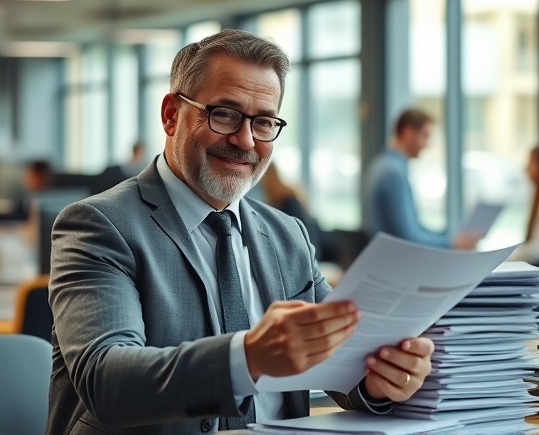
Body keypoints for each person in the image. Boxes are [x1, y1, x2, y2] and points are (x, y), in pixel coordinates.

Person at [46, 29, 434, 435]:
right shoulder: (98, 225)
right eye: (225, 114)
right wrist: (247, 357)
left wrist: (377, 379)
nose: (245, 140)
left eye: (263, 122)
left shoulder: (288, 236)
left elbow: (343, 362)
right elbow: (107, 381)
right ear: (171, 115)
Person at [364, 108, 479, 249]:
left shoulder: (384, 165)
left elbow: (414, 228)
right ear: (408, 133)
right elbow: (408, 237)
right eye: (425, 136)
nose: (426, 145)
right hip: (396, 263)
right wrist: (453, 243)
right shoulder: (392, 173)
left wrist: (448, 236)